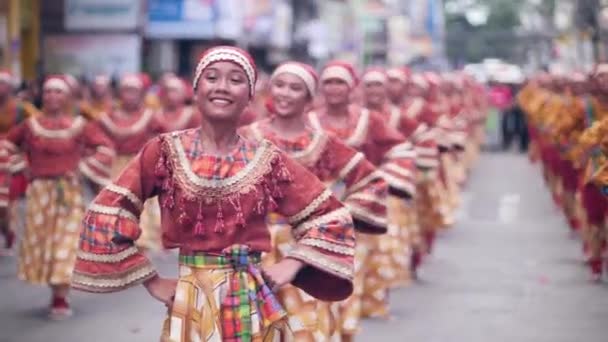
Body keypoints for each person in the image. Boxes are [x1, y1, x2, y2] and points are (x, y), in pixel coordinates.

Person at [72, 46, 355, 341]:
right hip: (190, 297)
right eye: (211, 77)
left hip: (249, 295)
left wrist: (292, 264)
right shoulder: (164, 151)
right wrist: (151, 280)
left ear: (250, 96)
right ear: (196, 89)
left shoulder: (269, 159)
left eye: (235, 80)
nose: (222, 87)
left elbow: (331, 216)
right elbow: (108, 210)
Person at [240, 61, 388, 340]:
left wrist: (340, 218)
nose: (284, 93)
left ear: (309, 98)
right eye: (280, 85)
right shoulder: (248, 137)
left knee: (306, 328)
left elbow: (372, 181)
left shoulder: (324, 143)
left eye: (295, 88)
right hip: (254, 246)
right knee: (253, 328)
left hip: (308, 248)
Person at [309, 60, 416, 338]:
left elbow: (402, 149)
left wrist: (378, 182)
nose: (333, 88)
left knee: (351, 268)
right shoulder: (308, 120)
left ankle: (346, 327)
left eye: (340, 82)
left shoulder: (369, 120)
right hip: (311, 211)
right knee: (317, 273)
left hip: (355, 208)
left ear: (351, 88)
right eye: (328, 82)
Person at [1, 75, 114, 318]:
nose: (53, 96)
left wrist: (82, 168)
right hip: (40, 193)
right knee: (45, 245)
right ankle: (55, 290)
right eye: (49, 91)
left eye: (58, 92)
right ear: (43, 95)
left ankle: (60, 296)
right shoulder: (30, 125)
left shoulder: (79, 125)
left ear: (67, 97)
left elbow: (105, 149)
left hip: (68, 193)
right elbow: (6, 147)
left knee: (66, 243)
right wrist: (21, 165)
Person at [0, 70, 38, 253]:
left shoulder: (22, 109)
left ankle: (9, 229)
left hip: (12, 162)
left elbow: (38, 125)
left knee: (8, 203)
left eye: (3, 83)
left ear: (10, 86)